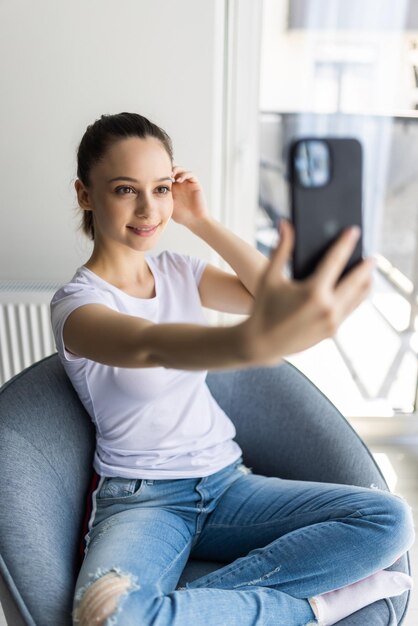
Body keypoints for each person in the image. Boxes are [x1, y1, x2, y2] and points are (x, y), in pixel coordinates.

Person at [50, 112, 414, 626]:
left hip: (226, 484)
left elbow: (275, 298)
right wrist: (253, 342)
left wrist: (202, 222)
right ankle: (309, 609)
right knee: (107, 619)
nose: (148, 208)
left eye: (160, 188)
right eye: (125, 189)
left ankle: (202, 609)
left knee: (391, 519)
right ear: (86, 195)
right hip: (142, 499)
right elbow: (151, 344)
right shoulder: (76, 307)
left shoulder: (178, 269)